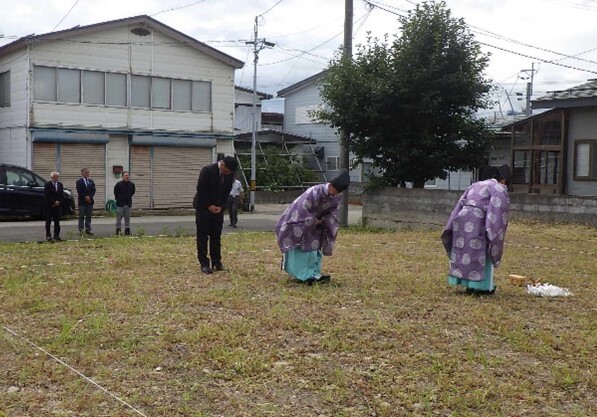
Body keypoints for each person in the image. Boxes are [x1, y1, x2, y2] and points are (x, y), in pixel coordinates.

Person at [441, 165, 511, 295]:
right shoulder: (498, 188)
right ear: (503, 180)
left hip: (461, 218)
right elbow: (497, 212)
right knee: (482, 252)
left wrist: (451, 225)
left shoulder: (474, 185)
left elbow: (460, 204)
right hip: (479, 220)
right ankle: (483, 287)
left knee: (465, 252)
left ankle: (467, 284)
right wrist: (492, 231)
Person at [275, 169, 350, 285]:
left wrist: (325, 220)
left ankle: (314, 274)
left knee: (314, 249)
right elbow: (301, 208)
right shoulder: (314, 192)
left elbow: (334, 212)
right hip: (301, 223)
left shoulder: (335, 197)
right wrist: (313, 221)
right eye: (333, 192)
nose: (334, 195)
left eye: (336, 193)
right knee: (302, 248)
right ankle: (303, 275)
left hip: (318, 225)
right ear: (330, 185)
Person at [193, 156, 238, 274]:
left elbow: (227, 191)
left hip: (218, 209)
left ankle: (217, 261)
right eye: (227, 170)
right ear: (222, 164)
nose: (227, 173)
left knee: (216, 236)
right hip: (203, 207)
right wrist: (209, 206)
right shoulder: (207, 171)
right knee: (202, 236)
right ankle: (204, 263)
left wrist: (221, 206)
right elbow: (201, 190)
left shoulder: (230, 174)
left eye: (230, 172)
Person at [44, 171, 65, 242]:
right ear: (51, 178)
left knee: (57, 221)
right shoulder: (47, 185)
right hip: (50, 206)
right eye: (54, 177)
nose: (55, 179)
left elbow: (62, 195)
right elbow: (47, 195)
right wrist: (53, 201)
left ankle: (56, 235)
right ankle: (48, 235)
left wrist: (59, 201)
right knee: (48, 221)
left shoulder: (60, 185)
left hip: (58, 206)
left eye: (57, 177)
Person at [114, 171, 136, 235]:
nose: (127, 177)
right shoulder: (118, 184)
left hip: (128, 204)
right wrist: (119, 198)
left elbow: (132, 192)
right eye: (125, 175)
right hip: (120, 204)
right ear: (122, 176)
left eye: (128, 175)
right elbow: (115, 192)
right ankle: (118, 229)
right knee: (119, 217)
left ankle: (127, 229)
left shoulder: (132, 184)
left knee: (127, 218)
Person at [76, 168, 96, 235]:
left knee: (88, 216)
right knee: (81, 215)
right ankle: (81, 229)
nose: (87, 174)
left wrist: (89, 197)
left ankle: (88, 229)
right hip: (82, 201)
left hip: (90, 201)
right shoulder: (79, 182)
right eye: (86, 173)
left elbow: (93, 190)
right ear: (82, 173)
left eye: (88, 172)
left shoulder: (91, 181)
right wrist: (85, 197)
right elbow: (79, 191)